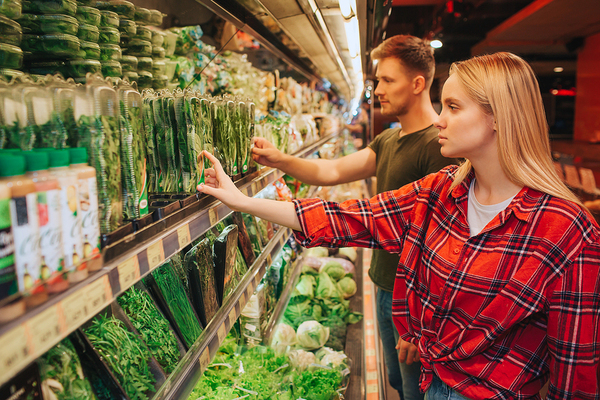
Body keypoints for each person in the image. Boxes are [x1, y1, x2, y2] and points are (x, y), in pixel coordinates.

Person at [198, 52, 600, 399]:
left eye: (453, 108)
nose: (440, 120)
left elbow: (576, 370)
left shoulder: (565, 230)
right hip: (433, 385)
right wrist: (242, 201)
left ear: (498, 117)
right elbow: (355, 218)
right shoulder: (441, 192)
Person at [252, 34, 458, 400]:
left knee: (416, 390)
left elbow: (443, 243)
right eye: (378, 79)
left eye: (387, 80)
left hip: (412, 298)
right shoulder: (389, 140)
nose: (378, 89)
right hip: (382, 280)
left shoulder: (437, 148)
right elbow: (331, 171)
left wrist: (417, 323)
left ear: (418, 83)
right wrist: (281, 159)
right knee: (397, 380)